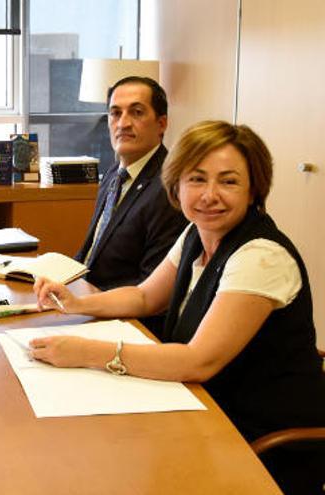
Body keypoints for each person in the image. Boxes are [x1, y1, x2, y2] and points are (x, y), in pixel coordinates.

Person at [33, 121, 325, 494]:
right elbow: (144, 297)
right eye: (197, 179)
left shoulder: (260, 255)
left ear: (254, 189)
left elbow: (198, 361)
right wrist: (76, 302)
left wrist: (86, 352)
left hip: (255, 443)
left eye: (229, 181)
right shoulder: (196, 232)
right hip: (201, 411)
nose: (209, 195)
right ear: (176, 185)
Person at [76, 76, 187, 292]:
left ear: (161, 123)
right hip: (85, 298)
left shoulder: (170, 187)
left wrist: (87, 302)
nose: (123, 123)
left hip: (125, 316)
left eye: (137, 112)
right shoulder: (113, 174)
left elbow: (150, 286)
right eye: (115, 113)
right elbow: (91, 254)